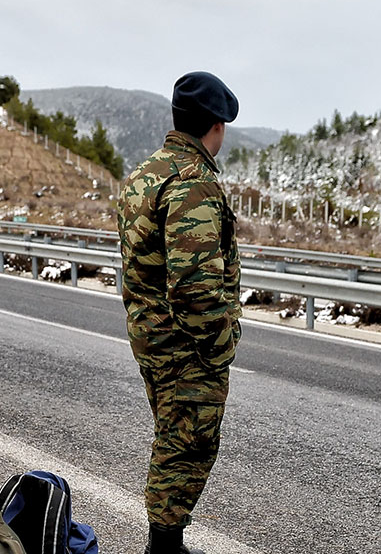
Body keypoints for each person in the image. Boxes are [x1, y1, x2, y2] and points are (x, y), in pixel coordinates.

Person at [118, 71, 242, 554]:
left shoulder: (145, 174)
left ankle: (164, 542)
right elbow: (194, 288)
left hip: (151, 338)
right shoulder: (194, 182)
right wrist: (220, 348)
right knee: (186, 447)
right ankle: (163, 547)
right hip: (185, 347)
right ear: (216, 125)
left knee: (174, 438)